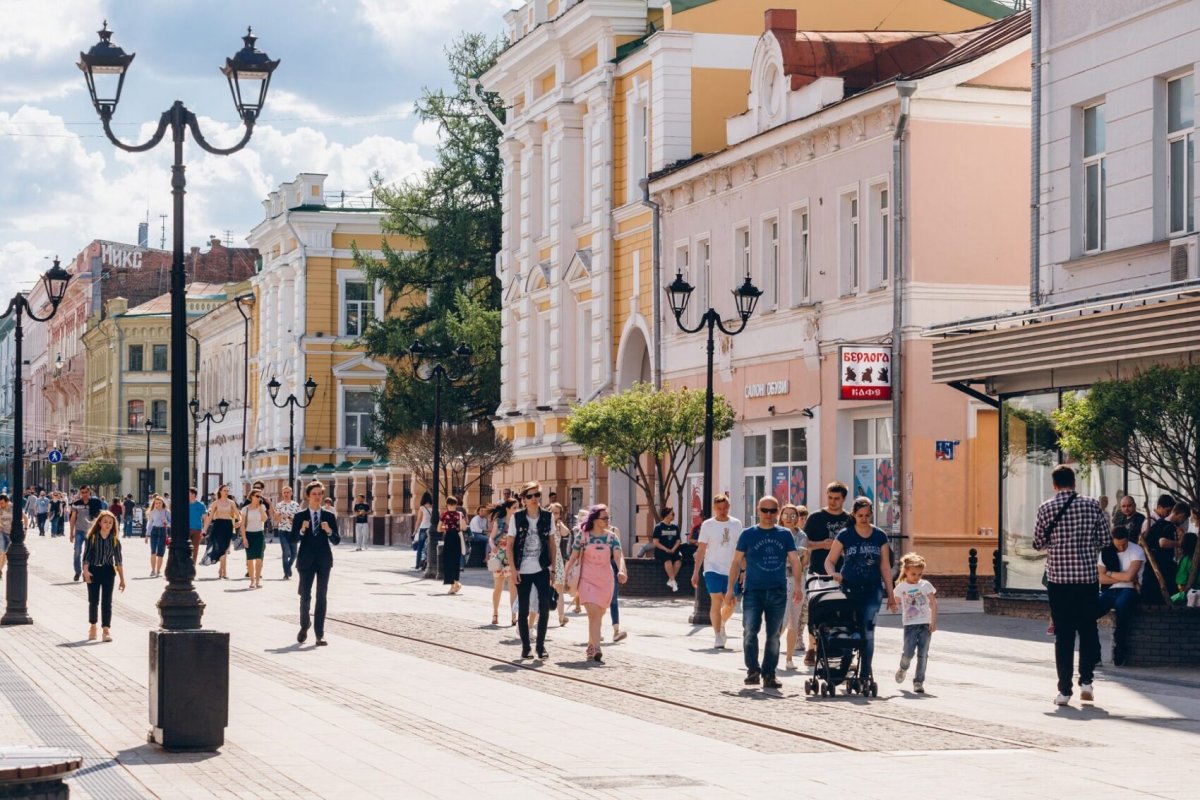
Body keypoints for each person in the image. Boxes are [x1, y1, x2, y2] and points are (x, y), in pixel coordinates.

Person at [1032, 464, 1109, 706]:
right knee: (1087, 630)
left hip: (1059, 580)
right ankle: (1086, 682)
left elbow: (1037, 543)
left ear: (1055, 485)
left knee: (1063, 635)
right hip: (1086, 578)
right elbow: (1105, 540)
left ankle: (1064, 691)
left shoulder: (1046, 507)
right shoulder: (1092, 505)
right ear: (1074, 482)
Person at [725, 496, 802, 689]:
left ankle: (769, 673)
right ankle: (753, 670)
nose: (768, 515)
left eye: (772, 511)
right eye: (764, 510)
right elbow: (735, 562)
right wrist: (729, 590)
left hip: (777, 590)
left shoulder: (784, 535)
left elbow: (795, 560)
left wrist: (799, 586)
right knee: (750, 631)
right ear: (758, 511)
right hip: (753, 590)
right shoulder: (747, 534)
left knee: (774, 634)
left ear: (778, 512)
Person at [826, 497, 898, 688]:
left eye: (867, 515)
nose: (864, 519)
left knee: (867, 631)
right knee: (849, 630)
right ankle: (845, 664)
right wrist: (833, 573)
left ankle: (865, 673)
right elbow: (829, 560)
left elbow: (884, 567)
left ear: (872, 514)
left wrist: (890, 595)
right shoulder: (845, 535)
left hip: (872, 590)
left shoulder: (879, 535)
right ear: (854, 515)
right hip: (849, 589)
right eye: (860, 516)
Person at [565, 504, 626, 662]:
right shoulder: (582, 536)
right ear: (595, 519)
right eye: (604, 518)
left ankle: (591, 645)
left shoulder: (612, 537)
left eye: (608, 518)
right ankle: (597, 648)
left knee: (599, 615)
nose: (607, 520)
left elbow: (619, 557)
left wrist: (621, 570)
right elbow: (573, 558)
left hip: (606, 581)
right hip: (587, 580)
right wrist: (564, 577)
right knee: (593, 614)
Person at [506, 482, 558, 659]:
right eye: (530, 496)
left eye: (537, 495)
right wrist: (513, 570)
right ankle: (526, 647)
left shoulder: (547, 517)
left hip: (542, 567)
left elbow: (552, 543)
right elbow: (510, 545)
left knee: (544, 608)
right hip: (523, 569)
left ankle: (541, 646)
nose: (534, 499)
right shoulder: (517, 518)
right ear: (523, 499)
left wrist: (553, 568)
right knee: (524, 610)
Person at [803, 481, 851, 664]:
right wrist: (822, 544)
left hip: (841, 573)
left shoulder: (849, 519)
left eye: (836, 499)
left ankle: (836, 646)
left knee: (839, 611)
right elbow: (804, 543)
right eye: (830, 498)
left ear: (843, 499)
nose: (832, 502)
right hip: (818, 572)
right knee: (815, 609)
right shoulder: (816, 518)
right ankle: (812, 646)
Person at [293, 480, 340, 646]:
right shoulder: (300, 516)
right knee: (305, 596)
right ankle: (304, 625)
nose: (317, 497)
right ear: (308, 496)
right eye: (314, 494)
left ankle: (319, 634)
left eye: (320, 493)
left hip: (324, 560)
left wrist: (329, 531)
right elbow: (293, 539)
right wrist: (302, 529)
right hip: (305, 561)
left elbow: (336, 540)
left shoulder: (329, 516)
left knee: (322, 596)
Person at [692, 495, 741, 649]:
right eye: (719, 508)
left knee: (731, 603)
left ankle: (722, 622)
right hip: (712, 567)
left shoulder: (736, 524)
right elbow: (701, 549)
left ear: (729, 507)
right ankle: (718, 635)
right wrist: (695, 572)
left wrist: (745, 569)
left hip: (731, 569)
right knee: (716, 600)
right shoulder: (707, 525)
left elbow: (741, 549)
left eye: (725, 508)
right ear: (714, 508)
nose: (722, 511)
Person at [1096, 525, 1144, 666]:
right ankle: (1094, 654)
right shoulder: (1106, 552)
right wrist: (1122, 577)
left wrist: (1110, 573)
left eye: (1124, 544)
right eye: (1118, 545)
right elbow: (1101, 579)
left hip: (1130, 589)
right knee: (1089, 614)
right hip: (1109, 590)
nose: (1121, 548)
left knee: (1122, 614)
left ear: (1128, 540)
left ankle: (1120, 652)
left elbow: (1130, 577)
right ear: (1112, 541)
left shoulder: (1137, 551)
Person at [894, 553, 938, 693]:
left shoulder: (925, 585)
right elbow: (895, 601)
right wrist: (893, 605)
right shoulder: (901, 587)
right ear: (906, 571)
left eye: (919, 574)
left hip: (925, 624)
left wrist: (933, 621)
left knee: (923, 654)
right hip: (910, 625)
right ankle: (903, 667)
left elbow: (933, 603)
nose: (917, 577)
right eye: (913, 574)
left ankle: (918, 682)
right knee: (908, 652)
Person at [80, 510, 126, 642]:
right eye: (105, 521)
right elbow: (86, 556)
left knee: (107, 602)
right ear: (99, 523)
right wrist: (86, 571)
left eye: (110, 522)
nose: (108, 524)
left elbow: (118, 561)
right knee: (93, 601)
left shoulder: (115, 541)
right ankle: (93, 626)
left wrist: (122, 580)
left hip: (108, 572)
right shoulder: (92, 537)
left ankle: (106, 630)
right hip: (93, 571)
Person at [780, 504, 809, 670]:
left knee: (794, 620)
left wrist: (802, 556)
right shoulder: (776, 533)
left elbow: (803, 561)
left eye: (793, 515)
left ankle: (789, 658)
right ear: (781, 516)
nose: (789, 518)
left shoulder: (802, 535)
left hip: (798, 579)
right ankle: (773, 650)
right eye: (786, 514)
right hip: (780, 579)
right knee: (782, 620)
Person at [1141, 501, 1187, 605]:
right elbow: (1162, 542)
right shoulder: (1168, 526)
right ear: (1181, 515)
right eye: (1183, 519)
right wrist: (1179, 543)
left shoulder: (1159, 523)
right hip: (1161, 565)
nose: (1182, 522)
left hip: (1153, 566)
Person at [69, 486, 104, 582]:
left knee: (88, 553)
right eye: (82, 492)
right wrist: (71, 533)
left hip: (90, 531)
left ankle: (86, 572)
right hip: (79, 531)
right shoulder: (76, 503)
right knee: (77, 551)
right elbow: (73, 518)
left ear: (89, 492)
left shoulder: (95, 503)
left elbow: (100, 516)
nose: (84, 494)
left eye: (86, 492)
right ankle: (77, 572)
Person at [206, 485, 240, 580]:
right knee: (220, 548)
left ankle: (222, 570)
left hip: (228, 525)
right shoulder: (216, 503)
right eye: (225, 490)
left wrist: (240, 521)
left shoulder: (231, 502)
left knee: (225, 549)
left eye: (227, 490)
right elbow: (210, 517)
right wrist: (205, 529)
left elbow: (238, 514)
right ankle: (223, 571)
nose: (226, 492)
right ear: (220, 491)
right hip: (218, 525)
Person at [438, 496, 467, 594]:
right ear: (456, 504)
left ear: (447, 504)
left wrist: (446, 527)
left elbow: (439, 529)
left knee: (448, 561)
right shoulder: (460, 514)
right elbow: (463, 528)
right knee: (456, 561)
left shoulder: (444, 515)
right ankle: (456, 583)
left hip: (448, 538)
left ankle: (453, 585)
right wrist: (457, 525)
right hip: (457, 538)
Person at [550, 502, 572, 627]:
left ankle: (561, 617)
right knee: (541, 590)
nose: (554, 515)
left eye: (557, 513)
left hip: (557, 560)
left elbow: (566, 532)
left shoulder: (558, 526)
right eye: (552, 512)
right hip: (545, 560)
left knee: (559, 590)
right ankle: (536, 617)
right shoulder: (544, 525)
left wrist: (559, 522)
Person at [240, 490, 268, 589]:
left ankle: (257, 581)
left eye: (261, 496)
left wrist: (260, 508)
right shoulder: (245, 509)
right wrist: (244, 538)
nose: (259, 498)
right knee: (250, 559)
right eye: (257, 496)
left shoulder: (262, 507)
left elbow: (264, 519)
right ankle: (252, 581)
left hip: (259, 534)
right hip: (249, 535)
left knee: (259, 559)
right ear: (251, 496)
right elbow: (242, 525)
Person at [274, 485, 301, 579]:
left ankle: (288, 568)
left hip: (293, 532)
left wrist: (289, 517)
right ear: (282, 493)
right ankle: (286, 573)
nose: (286, 494)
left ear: (291, 493)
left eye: (288, 492)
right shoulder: (279, 505)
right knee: (285, 551)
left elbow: (299, 521)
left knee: (294, 554)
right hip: (283, 531)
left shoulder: (296, 505)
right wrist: (281, 516)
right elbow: (275, 520)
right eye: (284, 492)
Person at [652, 508, 683, 591]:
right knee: (668, 560)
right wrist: (665, 549)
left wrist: (673, 549)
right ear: (666, 515)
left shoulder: (675, 527)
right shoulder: (659, 527)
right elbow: (655, 542)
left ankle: (671, 580)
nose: (673, 515)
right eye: (672, 514)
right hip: (661, 551)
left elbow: (678, 540)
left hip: (673, 550)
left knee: (678, 561)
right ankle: (673, 581)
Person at [145, 494, 170, 578]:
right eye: (156, 503)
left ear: (162, 503)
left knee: (160, 553)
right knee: (153, 552)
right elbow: (150, 524)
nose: (158, 504)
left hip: (163, 531)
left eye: (159, 503)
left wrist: (166, 522)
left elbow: (171, 523)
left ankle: (158, 571)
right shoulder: (152, 512)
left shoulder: (166, 512)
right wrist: (147, 535)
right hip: (154, 531)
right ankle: (153, 570)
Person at [187, 488, 207, 566]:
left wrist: (204, 530)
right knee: (186, 549)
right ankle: (186, 565)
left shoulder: (201, 505)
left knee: (195, 549)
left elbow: (205, 518)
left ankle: (193, 566)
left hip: (197, 530)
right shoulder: (184, 504)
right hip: (186, 530)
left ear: (193, 494)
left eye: (189, 493)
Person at [414, 492, 432, 570]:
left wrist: (415, 530)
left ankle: (418, 564)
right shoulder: (434, 508)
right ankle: (427, 563)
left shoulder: (422, 508)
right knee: (429, 547)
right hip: (431, 529)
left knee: (420, 547)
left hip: (423, 528)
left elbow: (418, 520)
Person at [0, 494, 12, 581]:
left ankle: (0, 569)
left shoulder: (13, 508)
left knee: (6, 554)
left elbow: (25, 518)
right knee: (2, 552)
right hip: (2, 532)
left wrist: (25, 529)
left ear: (7, 502)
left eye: (2, 503)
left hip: (11, 534)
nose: (1, 505)